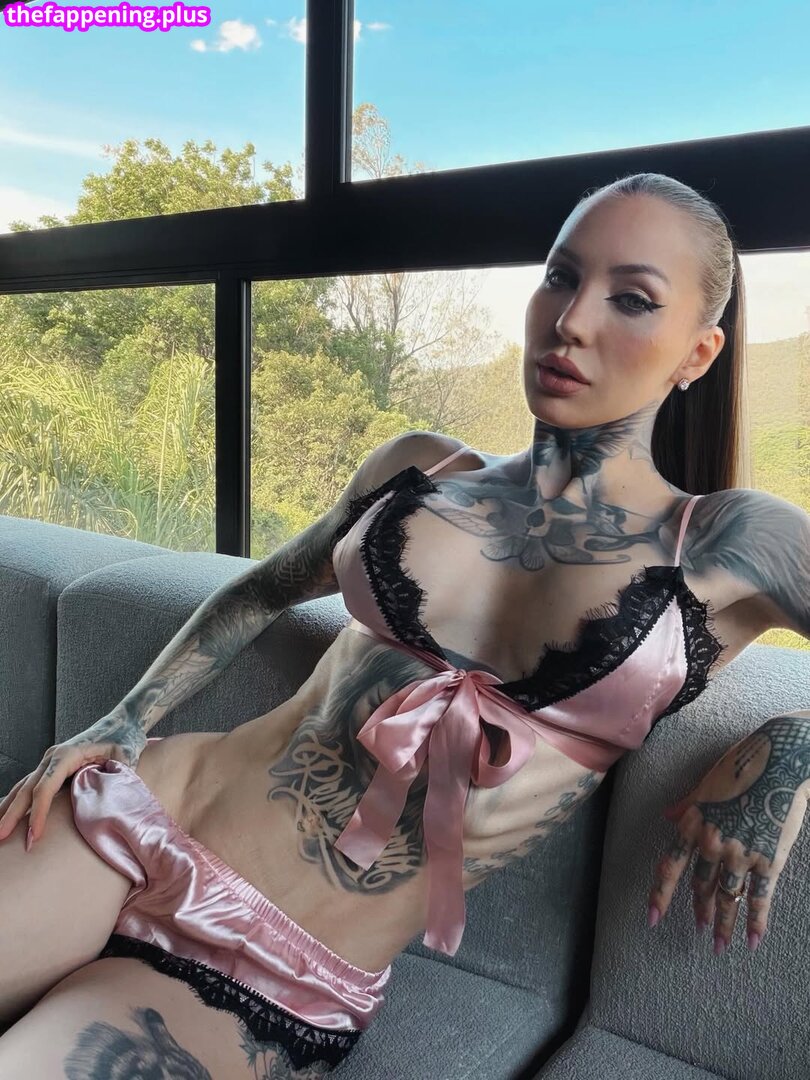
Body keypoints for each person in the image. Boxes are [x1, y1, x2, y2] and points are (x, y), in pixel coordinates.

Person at [0, 171, 808, 1078]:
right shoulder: (422, 470)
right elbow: (262, 591)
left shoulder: (734, 542)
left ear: (698, 352)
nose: (572, 320)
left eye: (631, 298)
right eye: (560, 276)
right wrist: (124, 718)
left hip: (275, 971)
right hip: (138, 813)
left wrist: (790, 746)